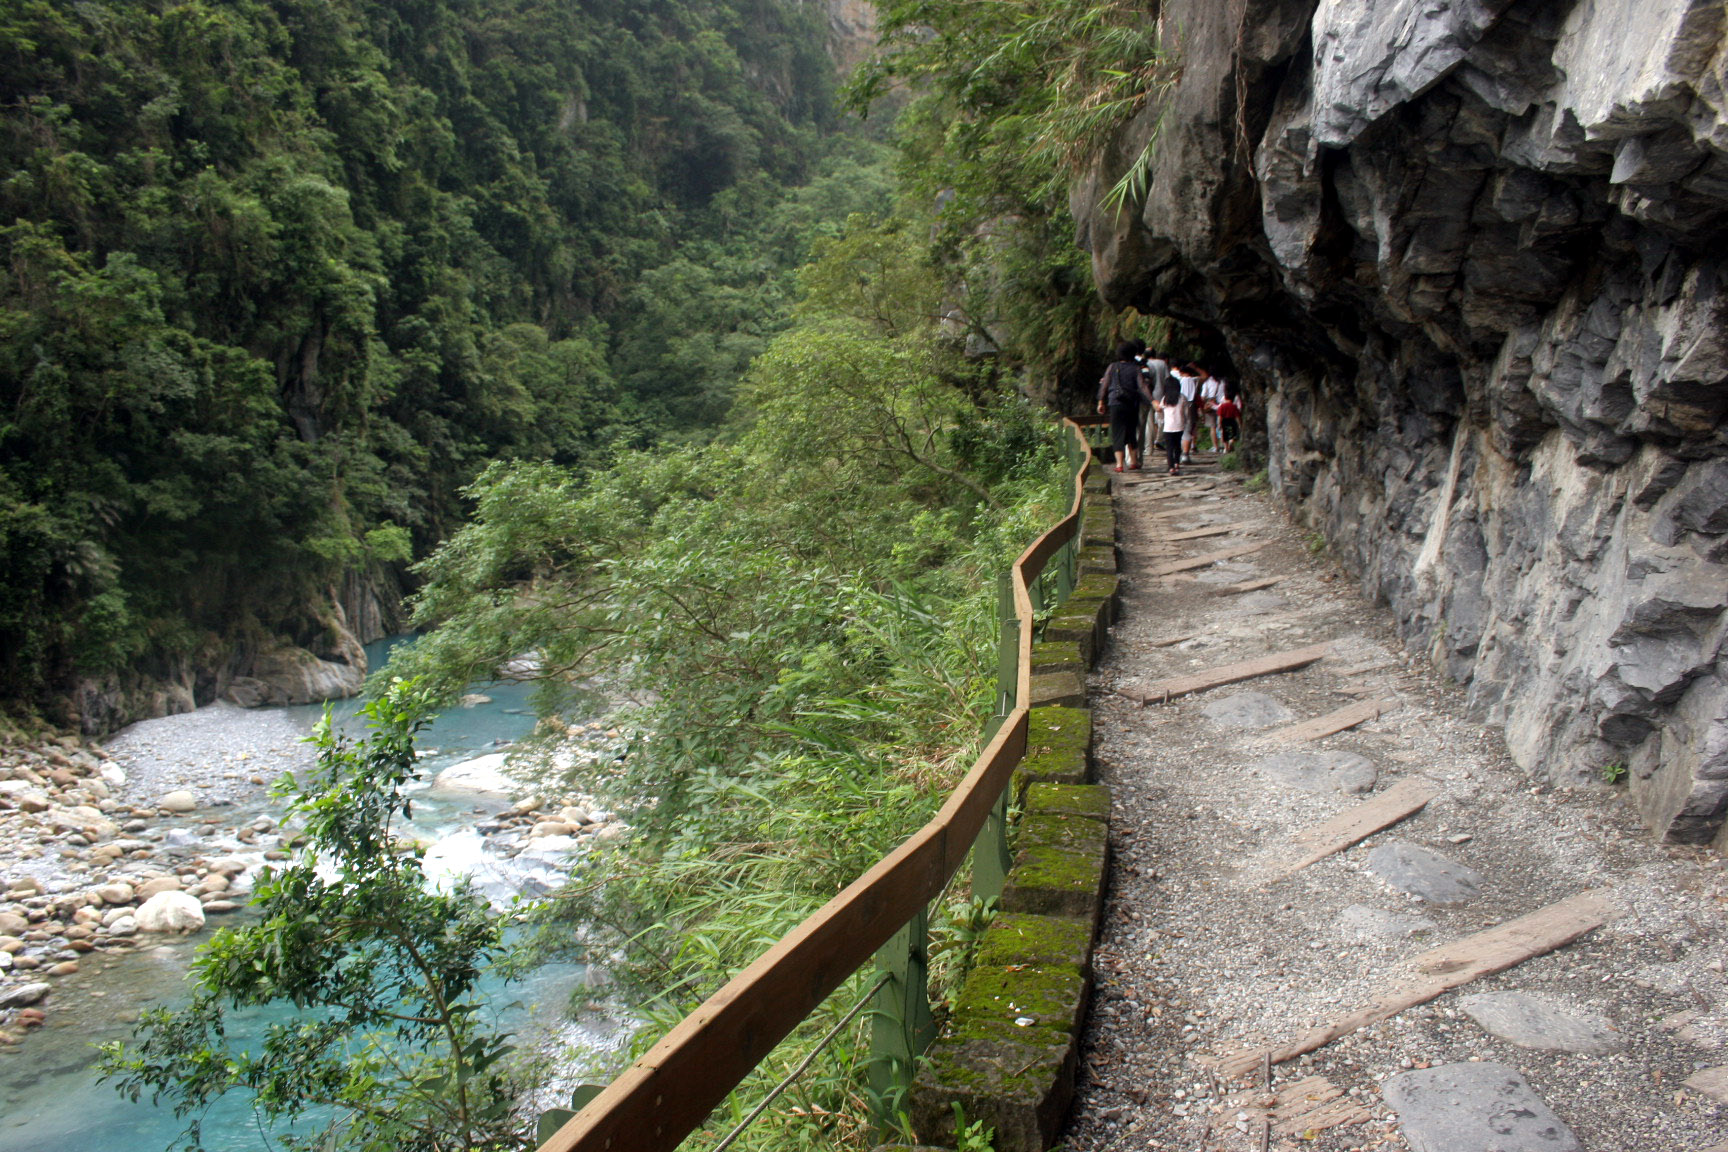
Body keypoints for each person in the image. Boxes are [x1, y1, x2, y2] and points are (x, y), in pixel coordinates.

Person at [1095, 341, 1145, 473]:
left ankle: (1119, 464)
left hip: (1115, 403)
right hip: (1131, 404)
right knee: (1131, 433)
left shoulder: (1112, 367)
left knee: (1117, 433)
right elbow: (1142, 386)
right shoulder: (1135, 368)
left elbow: (1104, 384)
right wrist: (1152, 401)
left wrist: (1101, 401)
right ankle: (1133, 462)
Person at [1139, 347, 1171, 457]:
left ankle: (1149, 449)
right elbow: (1167, 379)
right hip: (1161, 395)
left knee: (1149, 423)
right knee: (1162, 420)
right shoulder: (1162, 363)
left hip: (1148, 396)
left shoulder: (1145, 363)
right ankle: (1159, 439)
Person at [1155, 375, 1187, 475]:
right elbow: (1186, 411)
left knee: (1169, 447)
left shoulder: (1165, 399)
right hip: (1179, 425)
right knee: (1177, 445)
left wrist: (1160, 420)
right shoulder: (1182, 398)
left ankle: (1171, 467)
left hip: (1168, 427)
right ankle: (1177, 463)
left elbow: (1159, 411)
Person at [1198, 366, 1225, 452]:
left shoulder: (1207, 382)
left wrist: (1202, 406)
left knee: (1212, 427)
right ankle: (1224, 446)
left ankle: (1215, 447)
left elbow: (1202, 396)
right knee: (1222, 426)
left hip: (1210, 406)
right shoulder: (1223, 382)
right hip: (1222, 405)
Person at [1217, 380, 1243, 454]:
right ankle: (1231, 441)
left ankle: (1226, 448)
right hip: (1232, 421)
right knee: (1233, 433)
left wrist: (1219, 424)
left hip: (1224, 421)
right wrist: (1240, 424)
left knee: (1224, 435)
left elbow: (1220, 416)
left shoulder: (1222, 406)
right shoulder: (1234, 406)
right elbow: (1237, 416)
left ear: (1225, 397)